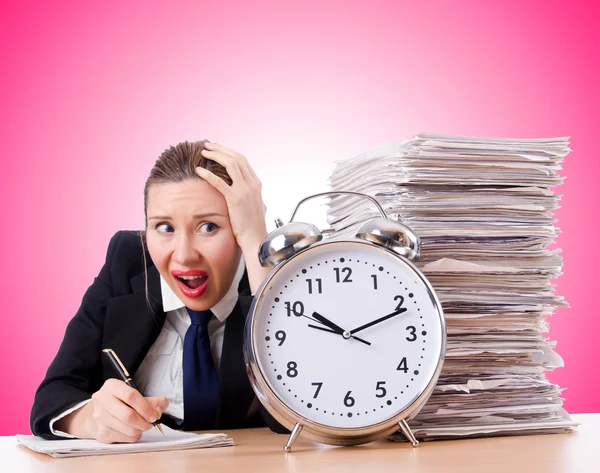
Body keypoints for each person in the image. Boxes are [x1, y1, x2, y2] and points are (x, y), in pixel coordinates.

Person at [30, 140, 285, 442]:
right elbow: (53, 395)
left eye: (208, 227)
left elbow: (293, 415)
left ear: (239, 229)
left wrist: (258, 243)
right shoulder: (127, 262)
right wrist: (89, 419)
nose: (185, 255)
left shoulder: (278, 283)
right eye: (165, 228)